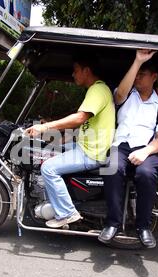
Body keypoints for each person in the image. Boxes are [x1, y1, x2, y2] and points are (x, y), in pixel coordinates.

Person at [26, 53, 115, 228]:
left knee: (48, 168)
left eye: (75, 70)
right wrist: (52, 133)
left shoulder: (98, 90)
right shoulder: (96, 90)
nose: (73, 75)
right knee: (47, 149)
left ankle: (67, 213)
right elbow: (84, 124)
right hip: (86, 145)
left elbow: (80, 118)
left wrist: (45, 127)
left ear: (86, 71)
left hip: (91, 152)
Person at [98, 49, 158, 249]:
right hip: (120, 146)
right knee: (111, 166)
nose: (138, 78)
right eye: (136, 74)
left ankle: (143, 227)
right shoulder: (127, 94)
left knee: (146, 173)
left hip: (146, 149)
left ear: (154, 77)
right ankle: (112, 224)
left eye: (142, 74)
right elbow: (119, 94)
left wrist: (145, 152)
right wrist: (137, 61)